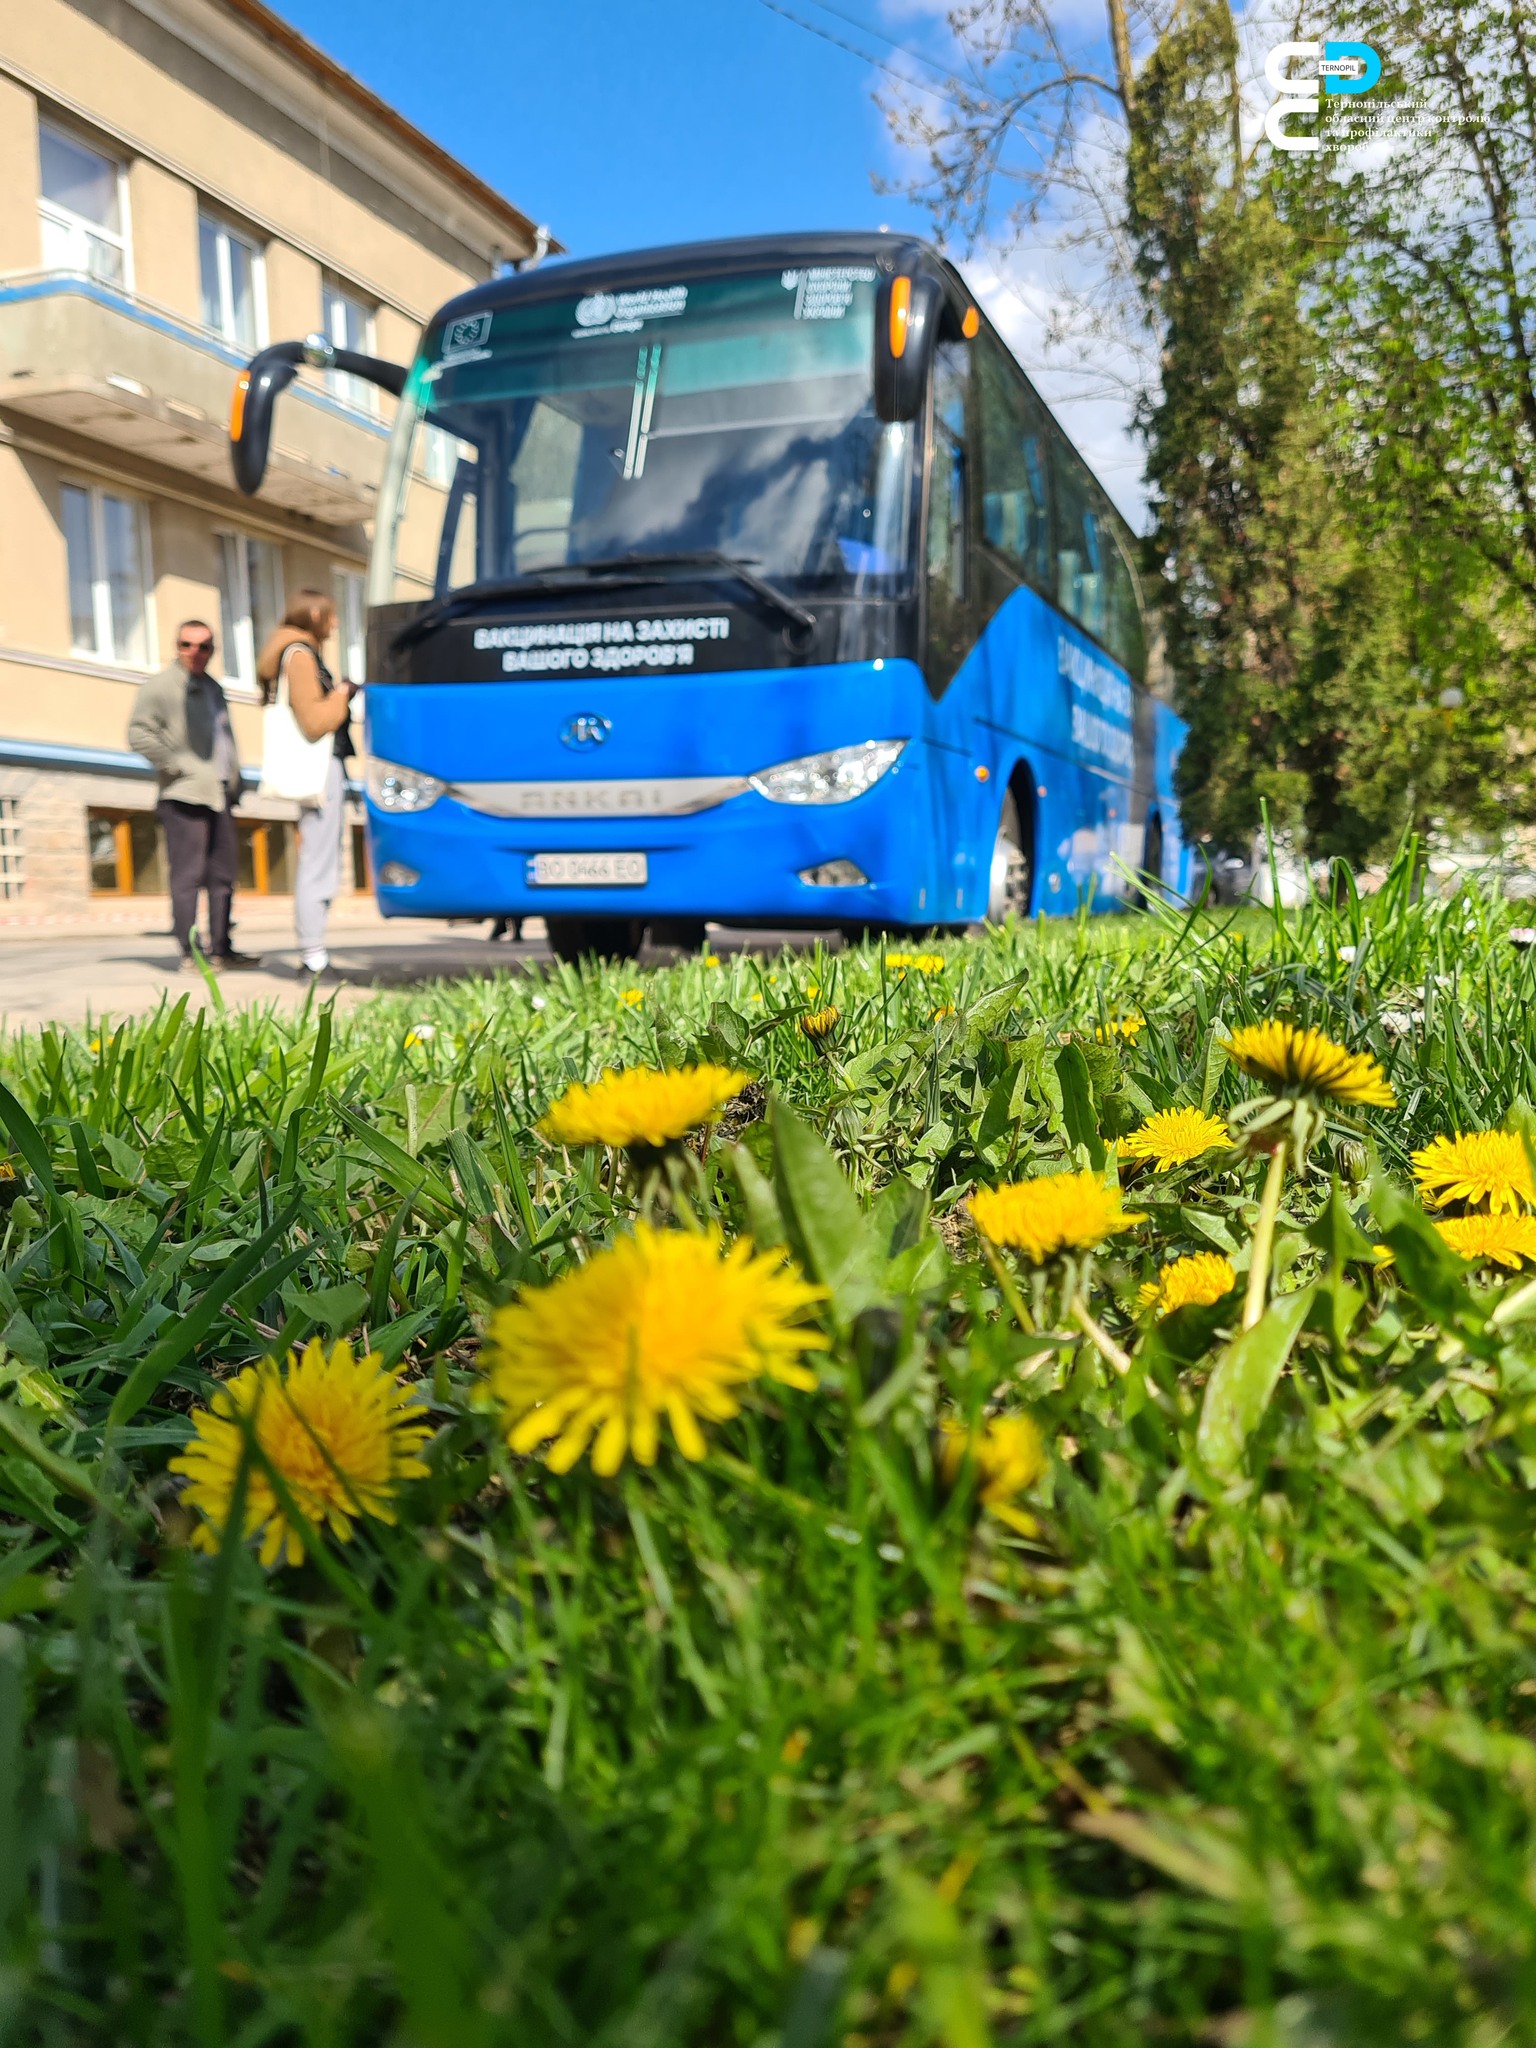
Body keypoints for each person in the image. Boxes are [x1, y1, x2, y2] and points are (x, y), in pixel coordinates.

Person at [127, 620, 259, 972]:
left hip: (220, 795)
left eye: (204, 646)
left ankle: (221, 949)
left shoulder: (214, 688)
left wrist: (236, 781)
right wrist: (177, 767)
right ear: (177, 646)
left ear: (213, 650)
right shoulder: (161, 687)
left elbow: (224, 742)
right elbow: (138, 733)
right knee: (187, 876)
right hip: (184, 795)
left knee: (223, 876)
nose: (195, 652)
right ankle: (190, 953)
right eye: (187, 644)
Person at [257, 590, 357, 977]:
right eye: (330, 616)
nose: (334, 624)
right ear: (314, 613)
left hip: (324, 770)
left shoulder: (296, 651)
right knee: (318, 862)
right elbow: (314, 723)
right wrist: (343, 695)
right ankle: (313, 955)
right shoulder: (300, 655)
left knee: (319, 858)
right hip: (319, 771)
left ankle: (313, 950)